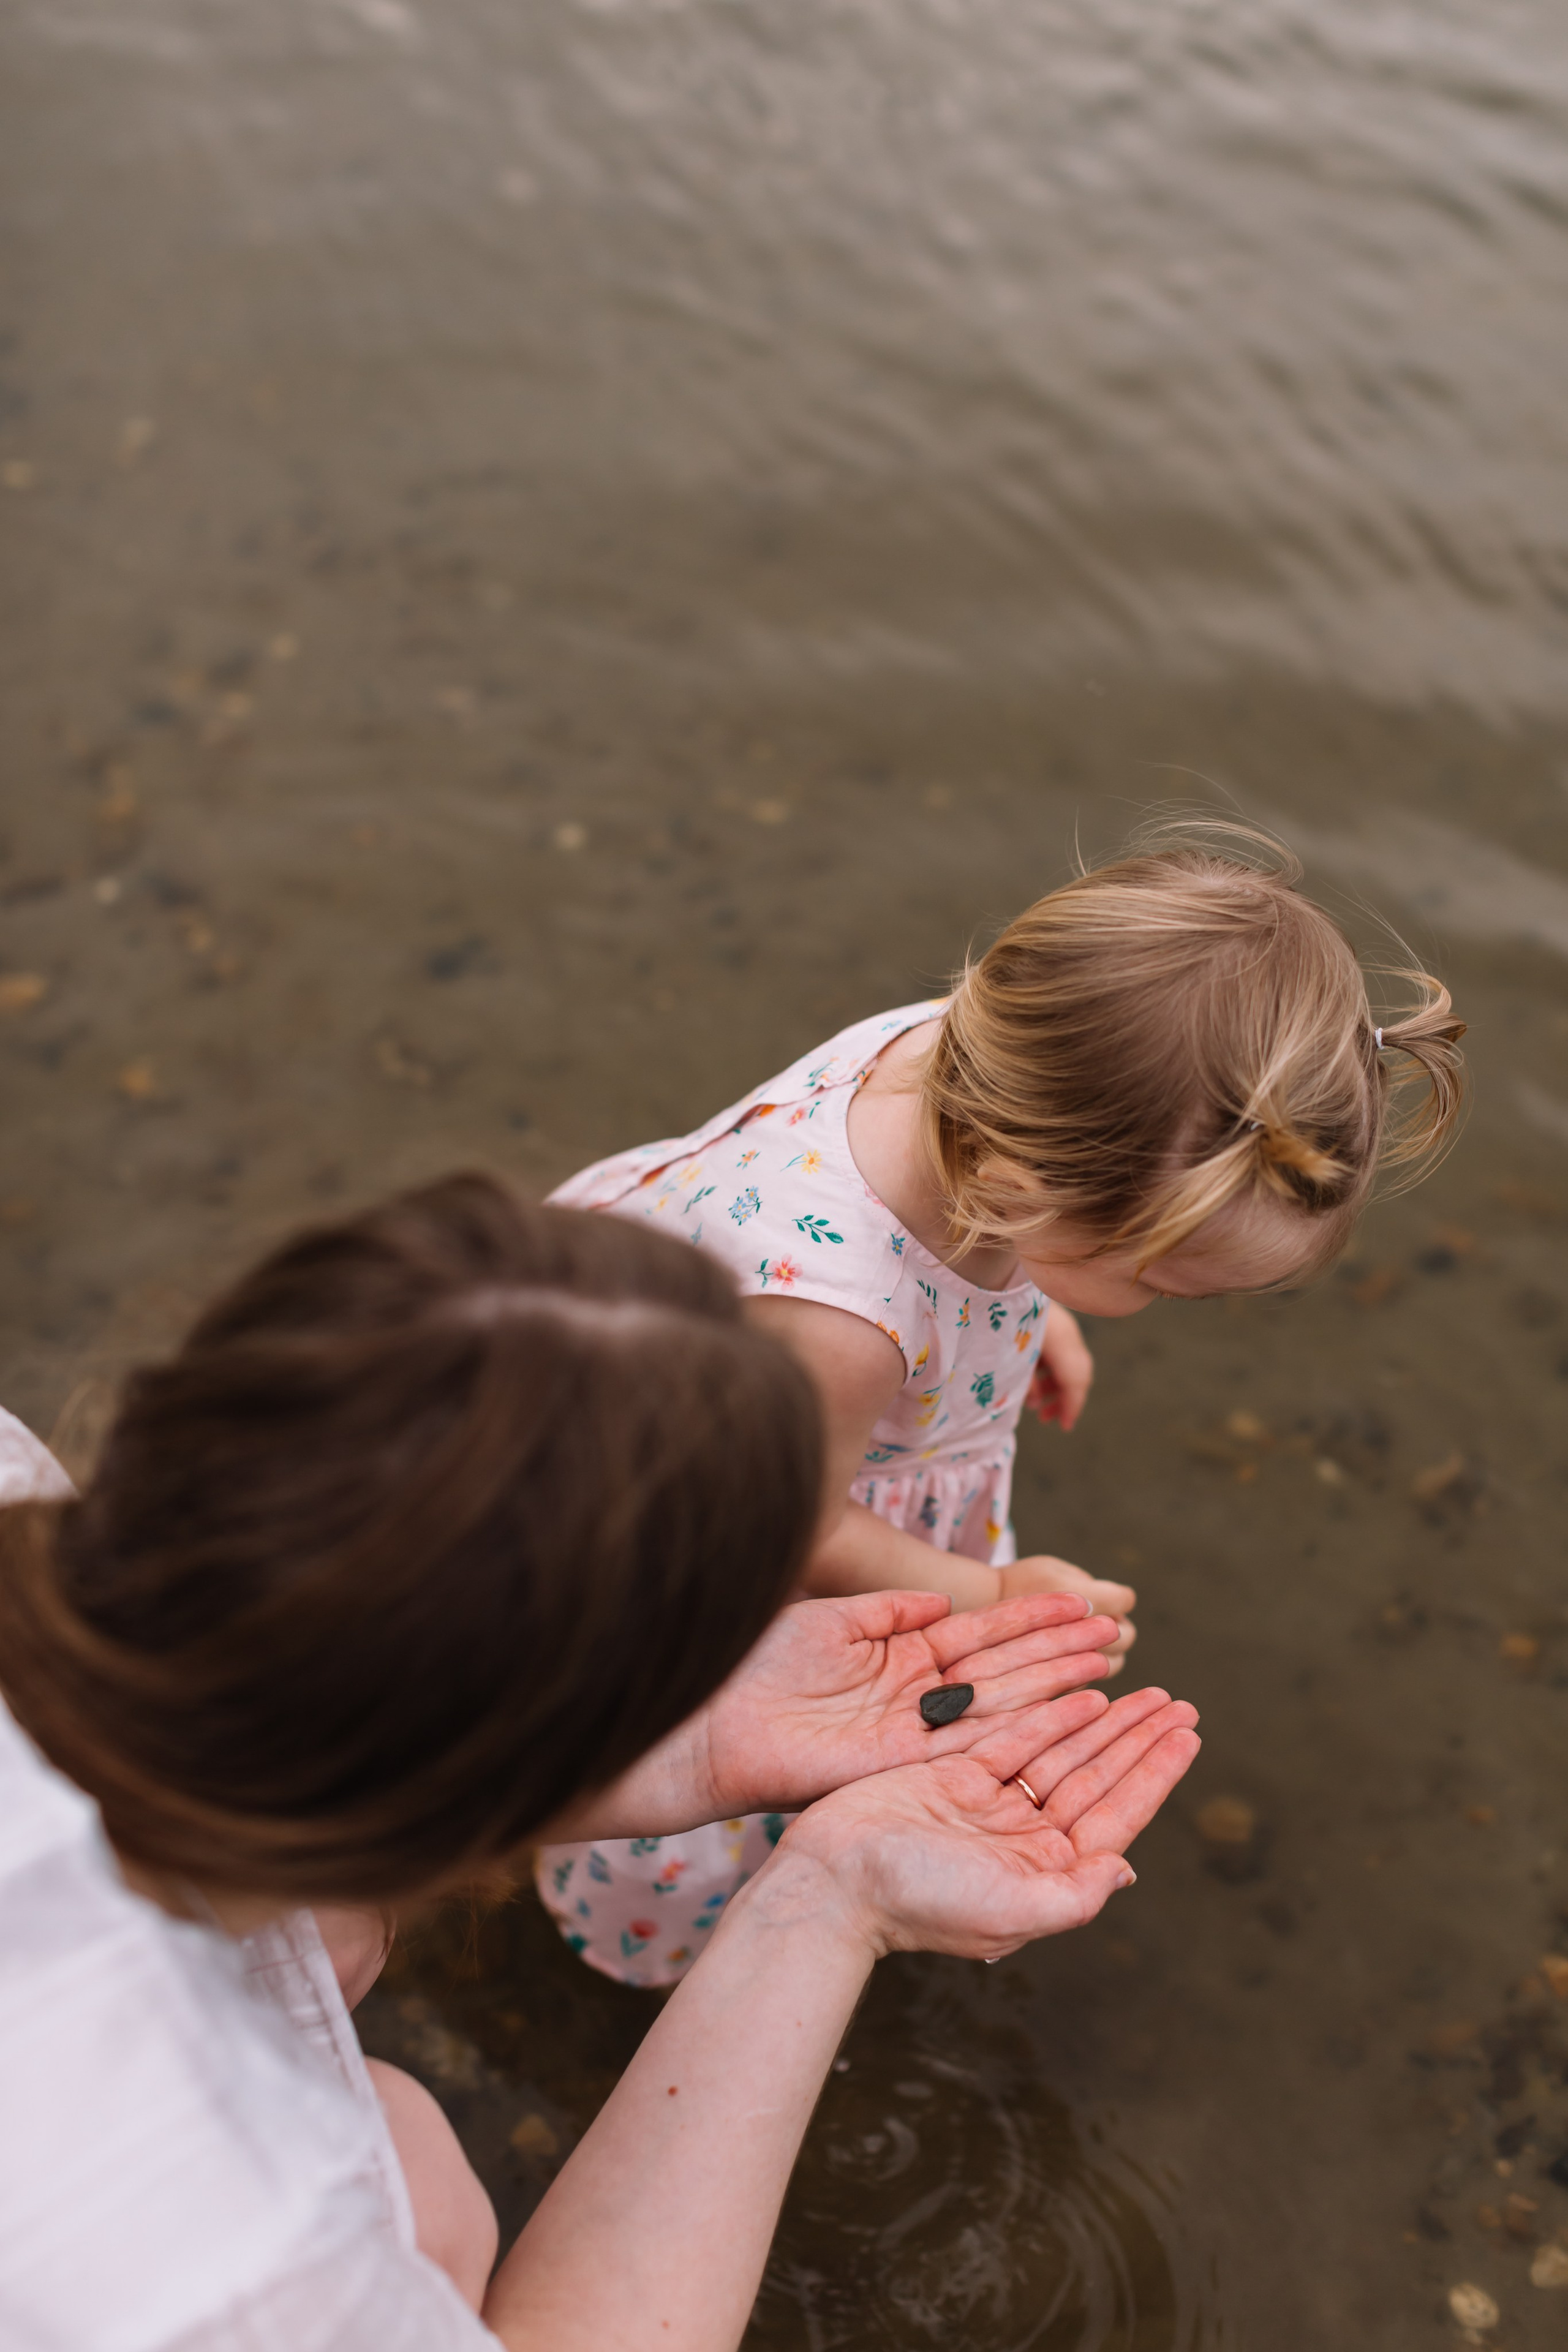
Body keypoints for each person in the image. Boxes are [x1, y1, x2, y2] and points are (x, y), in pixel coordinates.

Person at [0, 1174, 1200, 2352]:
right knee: (416, 2187)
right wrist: (830, 1900)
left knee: (350, 1978)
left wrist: (695, 1730)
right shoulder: (219, 2245)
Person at [537, 821, 1465, 1983]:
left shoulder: (976, 1060)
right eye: (1154, 1279)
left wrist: (1031, 1313)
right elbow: (792, 1529)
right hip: (703, 1499)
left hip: (714, 1359)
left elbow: (975, 1249)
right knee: (710, 1719)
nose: (1166, 1305)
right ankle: (660, 1939)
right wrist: (987, 1592)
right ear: (1026, 1185)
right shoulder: (843, 1323)